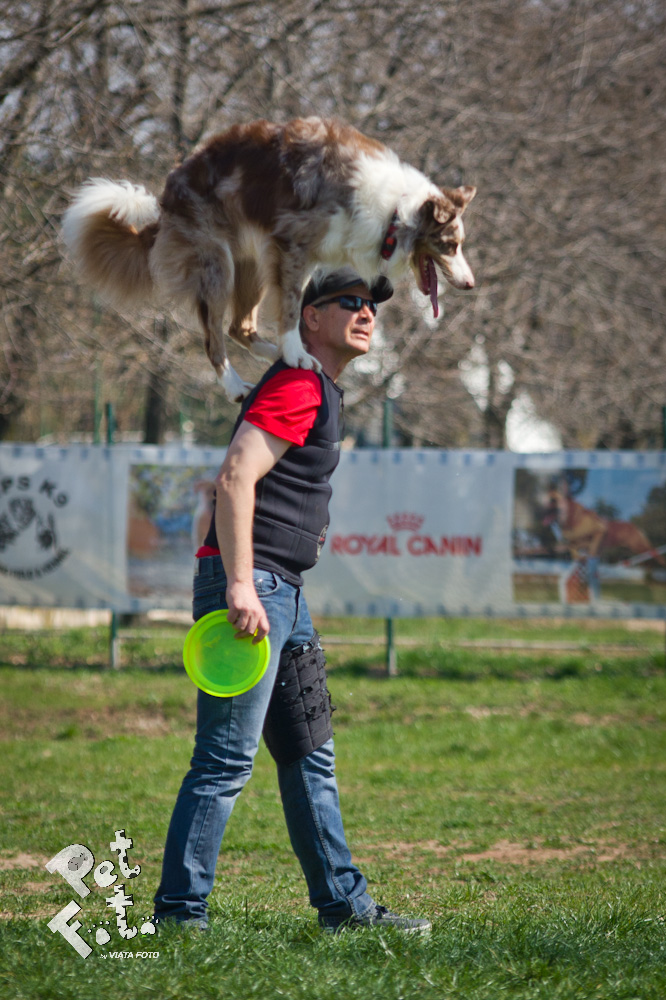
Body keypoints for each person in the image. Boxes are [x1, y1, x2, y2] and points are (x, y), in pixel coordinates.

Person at [153, 267, 431, 935]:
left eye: (371, 305)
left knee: (309, 756)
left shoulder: (319, 387)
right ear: (310, 317)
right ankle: (180, 916)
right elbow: (234, 478)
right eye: (349, 302)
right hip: (253, 587)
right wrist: (240, 583)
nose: (366, 313)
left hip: (284, 591)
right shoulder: (300, 385)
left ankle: (345, 909)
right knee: (224, 760)